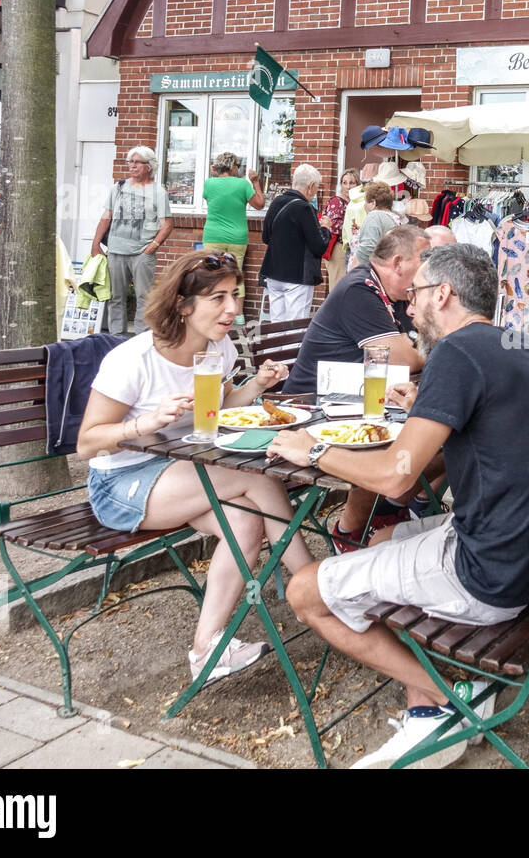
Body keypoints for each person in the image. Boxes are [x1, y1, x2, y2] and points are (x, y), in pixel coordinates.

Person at [270, 244, 529, 769]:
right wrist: (429, 407)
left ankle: (446, 703)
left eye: (414, 297)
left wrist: (314, 449)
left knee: (303, 592)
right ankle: (445, 692)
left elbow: (395, 480)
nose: (408, 310)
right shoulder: (522, 344)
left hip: (489, 575)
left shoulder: (455, 354)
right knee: (382, 540)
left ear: (443, 294)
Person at [76, 249, 312, 683]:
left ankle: (207, 650)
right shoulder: (133, 359)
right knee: (252, 474)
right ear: (184, 305)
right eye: (218, 298)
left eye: (235, 296)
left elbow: (215, 408)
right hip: (121, 485)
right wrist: (143, 424)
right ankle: (317, 587)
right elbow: (87, 444)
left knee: (246, 522)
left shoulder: (217, 348)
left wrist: (256, 385)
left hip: (184, 472)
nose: (233, 309)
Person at [285, 224, 431, 545]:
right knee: (395, 441)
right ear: (397, 262)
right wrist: (426, 346)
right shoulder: (360, 289)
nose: (429, 274)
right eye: (424, 262)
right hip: (313, 407)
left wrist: (424, 346)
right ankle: (349, 531)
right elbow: (406, 358)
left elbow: (422, 345)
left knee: (443, 434)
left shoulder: (393, 295)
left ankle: (386, 511)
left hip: (361, 401)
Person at [91, 146, 173, 336]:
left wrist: (152, 247)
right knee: (115, 297)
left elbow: (167, 224)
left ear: (149, 166)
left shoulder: (158, 192)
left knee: (144, 298)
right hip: (116, 251)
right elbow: (106, 216)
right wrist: (96, 243)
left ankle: (141, 338)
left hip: (141, 253)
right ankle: (115, 338)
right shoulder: (118, 187)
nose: (132, 166)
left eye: (137, 162)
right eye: (130, 162)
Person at [259, 164, 329, 322]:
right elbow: (319, 246)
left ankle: (273, 347)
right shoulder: (304, 208)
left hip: (274, 272)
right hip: (298, 276)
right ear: (310, 186)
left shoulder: (277, 202)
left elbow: (265, 237)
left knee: (276, 323)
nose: (316, 192)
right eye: (317, 187)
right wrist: (326, 229)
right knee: (295, 326)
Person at [200, 151, 264, 300]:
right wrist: (255, 181)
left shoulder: (209, 183)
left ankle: (214, 309)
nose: (239, 169)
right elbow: (260, 204)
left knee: (212, 275)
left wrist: (215, 174)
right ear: (232, 167)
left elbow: (214, 195)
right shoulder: (242, 184)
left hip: (213, 236)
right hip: (237, 238)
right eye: (238, 166)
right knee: (236, 275)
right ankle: (239, 315)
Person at [321, 168, 361, 289]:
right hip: (338, 248)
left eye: (352, 182)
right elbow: (332, 225)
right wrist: (352, 228)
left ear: (358, 185)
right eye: (345, 183)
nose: (348, 186)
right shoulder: (337, 201)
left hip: (348, 247)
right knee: (337, 285)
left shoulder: (354, 202)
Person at [349, 180, 399, 269]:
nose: (364, 206)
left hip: (365, 275)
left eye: (366, 202)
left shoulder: (374, 216)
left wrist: (353, 273)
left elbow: (367, 248)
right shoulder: (392, 218)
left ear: (373, 203)